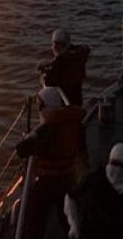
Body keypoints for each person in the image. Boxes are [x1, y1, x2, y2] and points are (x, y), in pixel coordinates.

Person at [13, 86, 85, 239]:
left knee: (33, 232)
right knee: (71, 226)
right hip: (68, 182)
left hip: (45, 186)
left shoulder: (46, 131)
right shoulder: (72, 126)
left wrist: (30, 138)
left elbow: (22, 151)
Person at [38, 28, 91, 170]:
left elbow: (49, 82)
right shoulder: (77, 57)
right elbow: (85, 48)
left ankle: (66, 164)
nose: (54, 48)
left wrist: (47, 69)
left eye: (56, 45)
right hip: (77, 101)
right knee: (78, 132)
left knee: (64, 133)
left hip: (65, 104)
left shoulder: (60, 64)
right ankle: (84, 161)